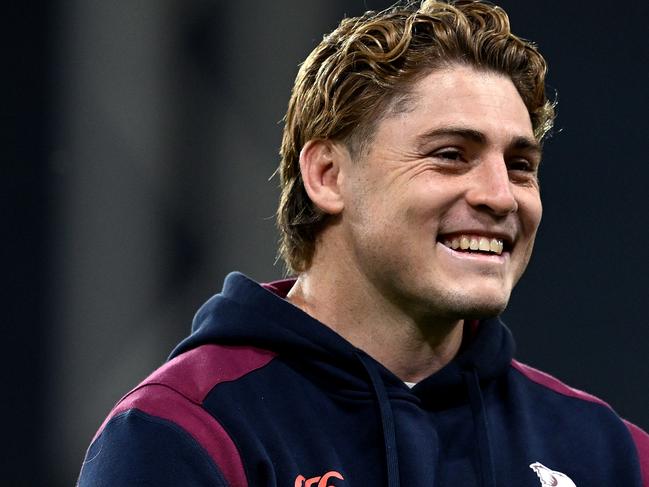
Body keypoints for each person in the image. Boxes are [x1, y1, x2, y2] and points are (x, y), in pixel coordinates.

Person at [77, 1, 649, 486]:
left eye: (521, 165)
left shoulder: (609, 455)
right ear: (328, 175)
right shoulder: (184, 434)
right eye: (451, 154)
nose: (502, 197)